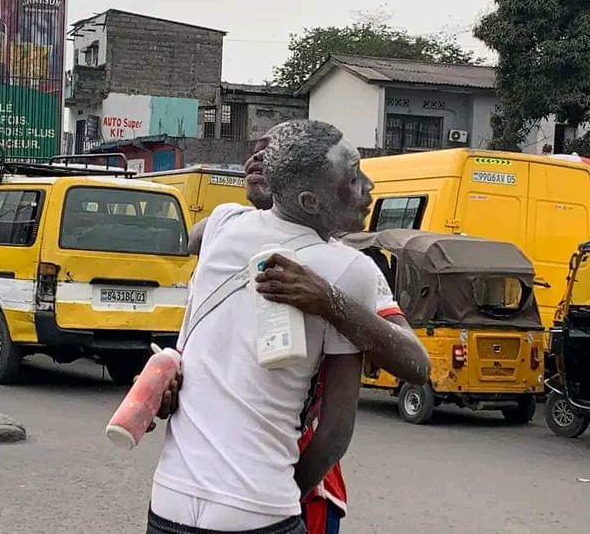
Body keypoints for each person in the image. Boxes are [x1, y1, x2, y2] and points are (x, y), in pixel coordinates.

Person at [148, 120, 426, 533]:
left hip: (168, 501)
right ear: (311, 200)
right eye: (353, 178)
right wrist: (282, 498)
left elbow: (195, 236)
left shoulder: (222, 226)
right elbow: (338, 429)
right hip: (260, 504)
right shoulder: (351, 269)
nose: (368, 186)